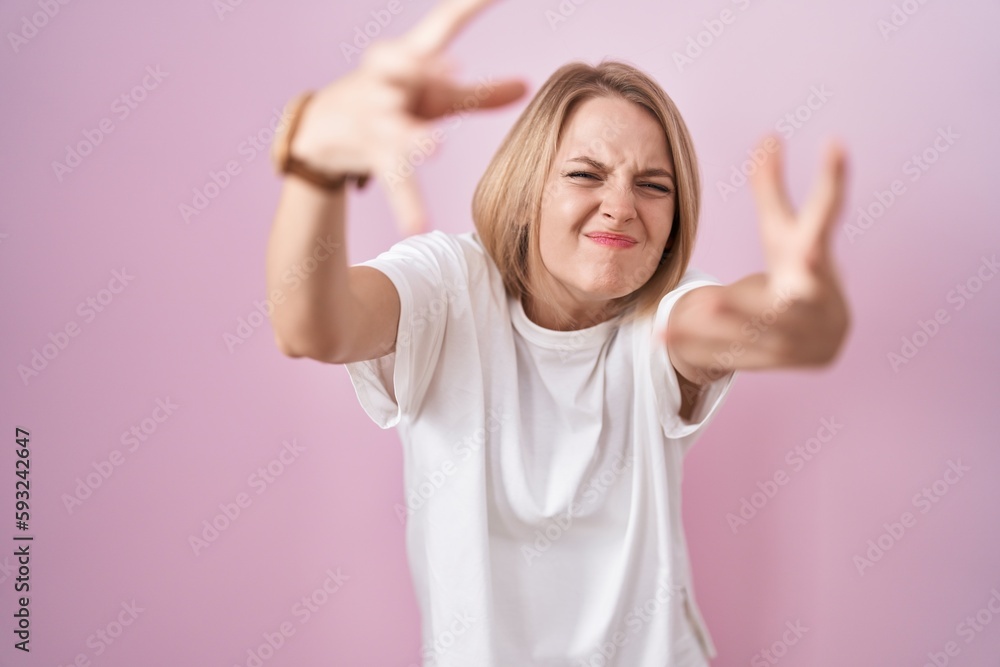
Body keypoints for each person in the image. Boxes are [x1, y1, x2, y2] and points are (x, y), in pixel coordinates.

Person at [265, 1, 850, 664]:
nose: (621, 205)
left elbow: (723, 324)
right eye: (585, 173)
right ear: (527, 190)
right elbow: (309, 324)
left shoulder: (663, 318)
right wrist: (315, 162)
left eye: (653, 185)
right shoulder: (447, 286)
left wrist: (800, 317)